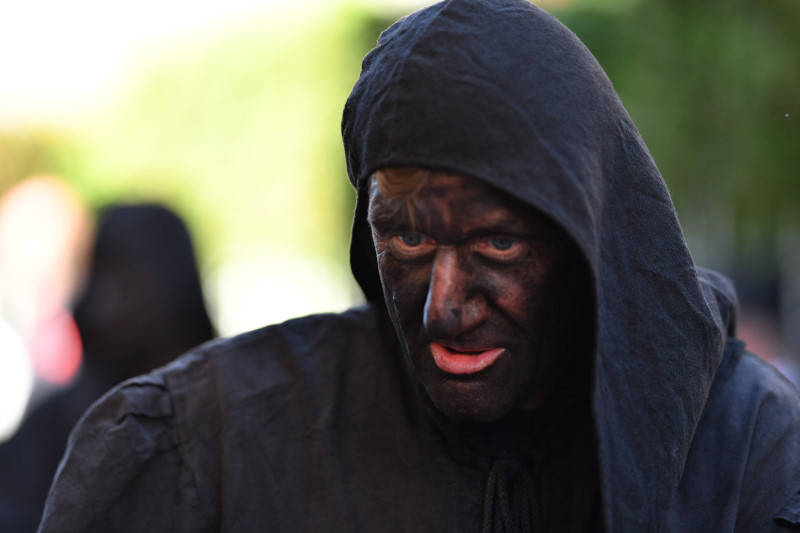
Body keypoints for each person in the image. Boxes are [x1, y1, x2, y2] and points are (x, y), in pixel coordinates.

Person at [38, 1, 800, 532]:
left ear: (586, 238)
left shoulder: (749, 450)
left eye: (496, 244)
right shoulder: (208, 442)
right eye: (403, 240)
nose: (443, 305)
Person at [0, 203, 214, 533]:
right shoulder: (62, 423)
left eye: (122, 275)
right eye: (96, 273)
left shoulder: (227, 411)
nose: (102, 300)